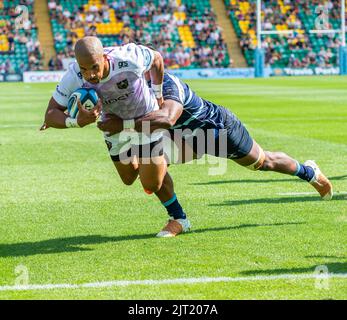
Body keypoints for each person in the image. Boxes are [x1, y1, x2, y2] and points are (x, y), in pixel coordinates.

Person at [97, 71, 333, 207]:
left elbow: (166, 118)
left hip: (216, 130)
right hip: (185, 137)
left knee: (262, 162)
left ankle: (308, 172)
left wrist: (123, 125)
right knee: (153, 164)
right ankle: (178, 218)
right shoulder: (136, 91)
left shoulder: (169, 83)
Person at [41, 36, 191, 238]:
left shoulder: (129, 57)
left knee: (151, 184)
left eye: (94, 67)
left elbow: (156, 59)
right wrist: (76, 121)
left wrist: (158, 94)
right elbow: (50, 114)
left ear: (104, 57)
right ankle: (153, 160)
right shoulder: (74, 75)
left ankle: (179, 216)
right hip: (113, 127)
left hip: (145, 119)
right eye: (84, 69)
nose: (90, 75)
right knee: (128, 178)